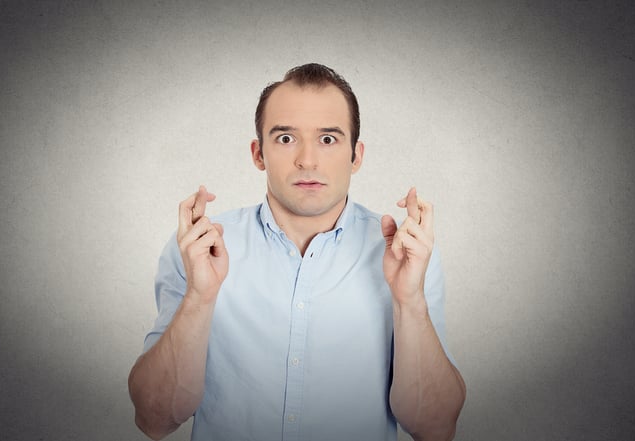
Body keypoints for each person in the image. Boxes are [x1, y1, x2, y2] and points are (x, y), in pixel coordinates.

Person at [128, 63, 466, 441]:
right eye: (286, 138)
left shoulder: (407, 255)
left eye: (328, 139)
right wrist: (199, 297)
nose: (307, 160)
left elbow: (435, 428)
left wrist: (409, 301)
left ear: (356, 156)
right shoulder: (200, 248)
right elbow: (154, 420)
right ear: (259, 154)